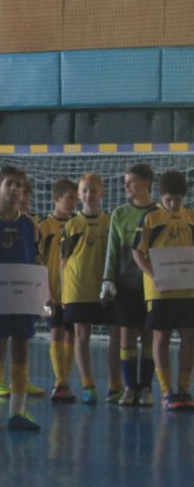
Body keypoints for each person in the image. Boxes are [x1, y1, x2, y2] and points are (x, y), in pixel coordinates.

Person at [0, 165, 42, 433]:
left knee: (22, 350)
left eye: (19, 185)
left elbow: (37, 261)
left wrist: (41, 295)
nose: (14, 189)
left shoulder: (30, 224)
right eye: (9, 183)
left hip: (23, 298)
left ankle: (17, 410)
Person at [133, 170, 194, 411]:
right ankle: (166, 390)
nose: (174, 204)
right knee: (161, 336)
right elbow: (137, 252)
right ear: (161, 196)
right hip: (160, 290)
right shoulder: (151, 218)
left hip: (187, 289)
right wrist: (153, 274)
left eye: (178, 200)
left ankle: (184, 388)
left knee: (189, 336)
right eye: (169, 199)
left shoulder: (190, 216)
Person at [104, 163, 158, 407]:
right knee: (126, 339)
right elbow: (112, 251)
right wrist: (107, 279)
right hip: (125, 287)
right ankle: (129, 387)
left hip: (152, 288)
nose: (126, 185)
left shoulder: (159, 213)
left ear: (147, 183)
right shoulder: (119, 214)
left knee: (149, 338)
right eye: (125, 181)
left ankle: (145, 388)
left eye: (132, 181)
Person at [62, 174, 114, 404]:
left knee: (116, 335)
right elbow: (64, 261)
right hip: (78, 288)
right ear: (78, 194)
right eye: (84, 190)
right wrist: (63, 292)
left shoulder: (110, 222)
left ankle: (115, 385)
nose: (88, 194)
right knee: (82, 336)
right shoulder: (72, 225)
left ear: (101, 193)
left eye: (93, 190)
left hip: (105, 287)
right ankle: (87, 384)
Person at [39, 178, 77, 402]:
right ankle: (59, 381)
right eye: (69, 198)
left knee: (71, 332)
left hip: (72, 290)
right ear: (56, 198)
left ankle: (65, 380)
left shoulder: (76, 224)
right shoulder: (44, 226)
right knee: (55, 330)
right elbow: (38, 260)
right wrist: (44, 291)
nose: (73, 203)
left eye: (75, 199)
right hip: (49, 290)